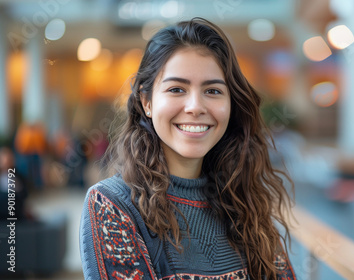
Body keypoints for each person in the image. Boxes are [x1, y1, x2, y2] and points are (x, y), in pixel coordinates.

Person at [79, 18, 296, 280]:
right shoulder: (112, 205)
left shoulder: (245, 201)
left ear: (231, 104)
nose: (195, 107)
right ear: (147, 102)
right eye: (177, 89)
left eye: (213, 91)